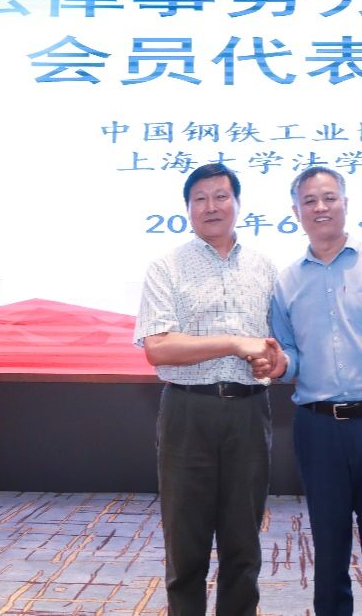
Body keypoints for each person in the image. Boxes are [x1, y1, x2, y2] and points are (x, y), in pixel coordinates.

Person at [254, 167, 362, 616]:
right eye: (310, 201)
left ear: (345, 204)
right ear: (296, 211)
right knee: (328, 544)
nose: (320, 208)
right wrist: (281, 365)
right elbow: (291, 357)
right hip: (317, 429)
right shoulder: (286, 282)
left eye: (329, 198)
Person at [133, 162, 280, 616]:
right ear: (187, 208)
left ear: (237, 204)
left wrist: (272, 360)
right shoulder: (166, 267)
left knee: (243, 545)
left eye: (221, 196)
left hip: (248, 413)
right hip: (188, 412)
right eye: (200, 198)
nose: (211, 206)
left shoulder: (264, 268)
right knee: (186, 545)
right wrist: (234, 343)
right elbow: (158, 348)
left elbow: (277, 347)